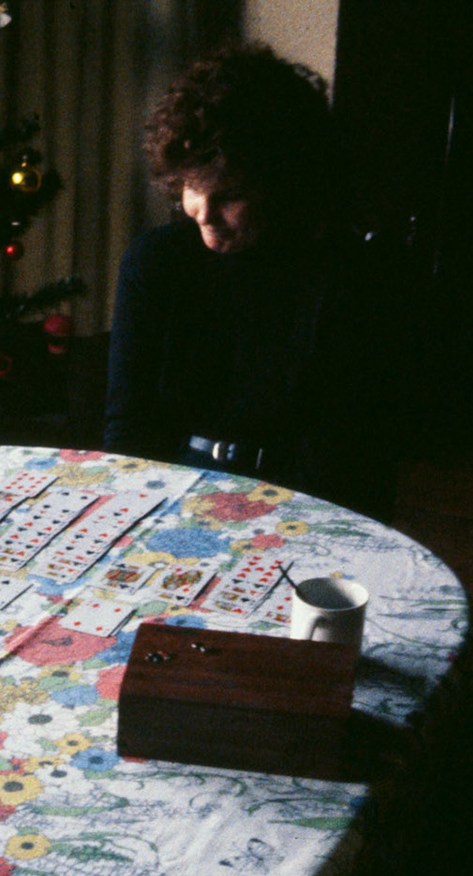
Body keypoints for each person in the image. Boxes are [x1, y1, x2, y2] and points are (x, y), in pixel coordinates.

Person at [104, 43, 398, 519]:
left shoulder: (344, 276)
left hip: (301, 499)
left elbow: (342, 459)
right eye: (194, 187)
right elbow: (128, 428)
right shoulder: (153, 264)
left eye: (232, 194)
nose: (204, 214)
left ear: (285, 183)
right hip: (174, 488)